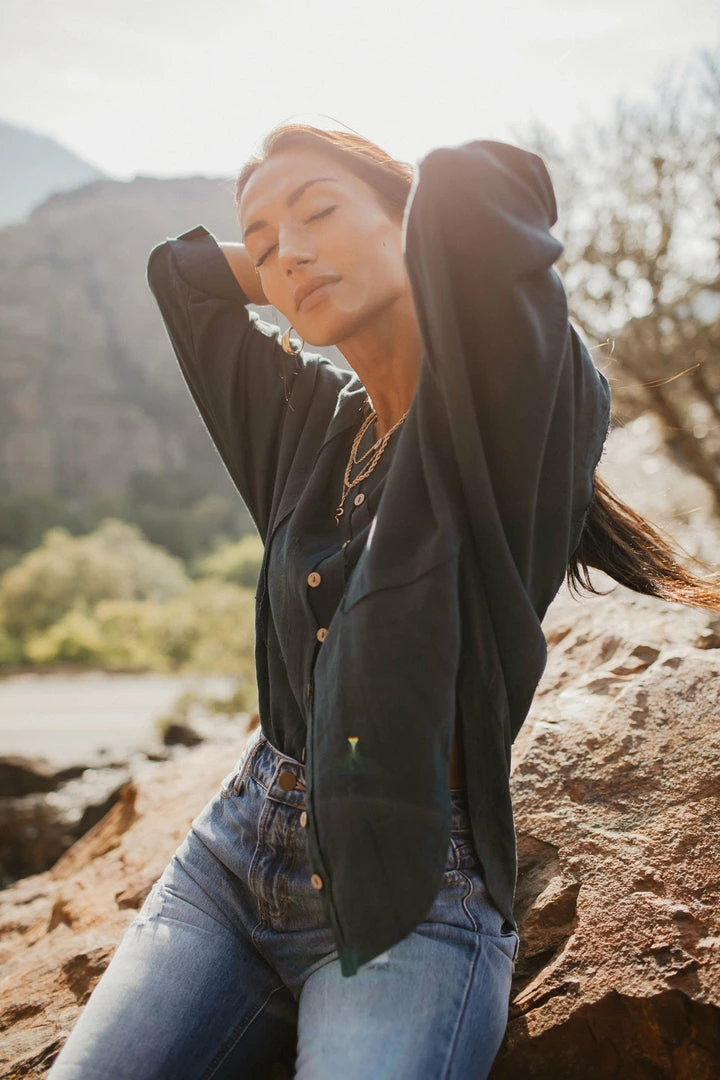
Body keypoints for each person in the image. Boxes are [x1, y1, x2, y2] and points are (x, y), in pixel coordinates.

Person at [49, 123, 720, 1080]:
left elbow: (477, 190)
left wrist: (356, 241)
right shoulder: (306, 426)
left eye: (322, 211)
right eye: (268, 243)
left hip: (412, 897)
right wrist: (297, 264)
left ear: (411, 223)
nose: (291, 253)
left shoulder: (509, 407)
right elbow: (179, 276)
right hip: (231, 864)